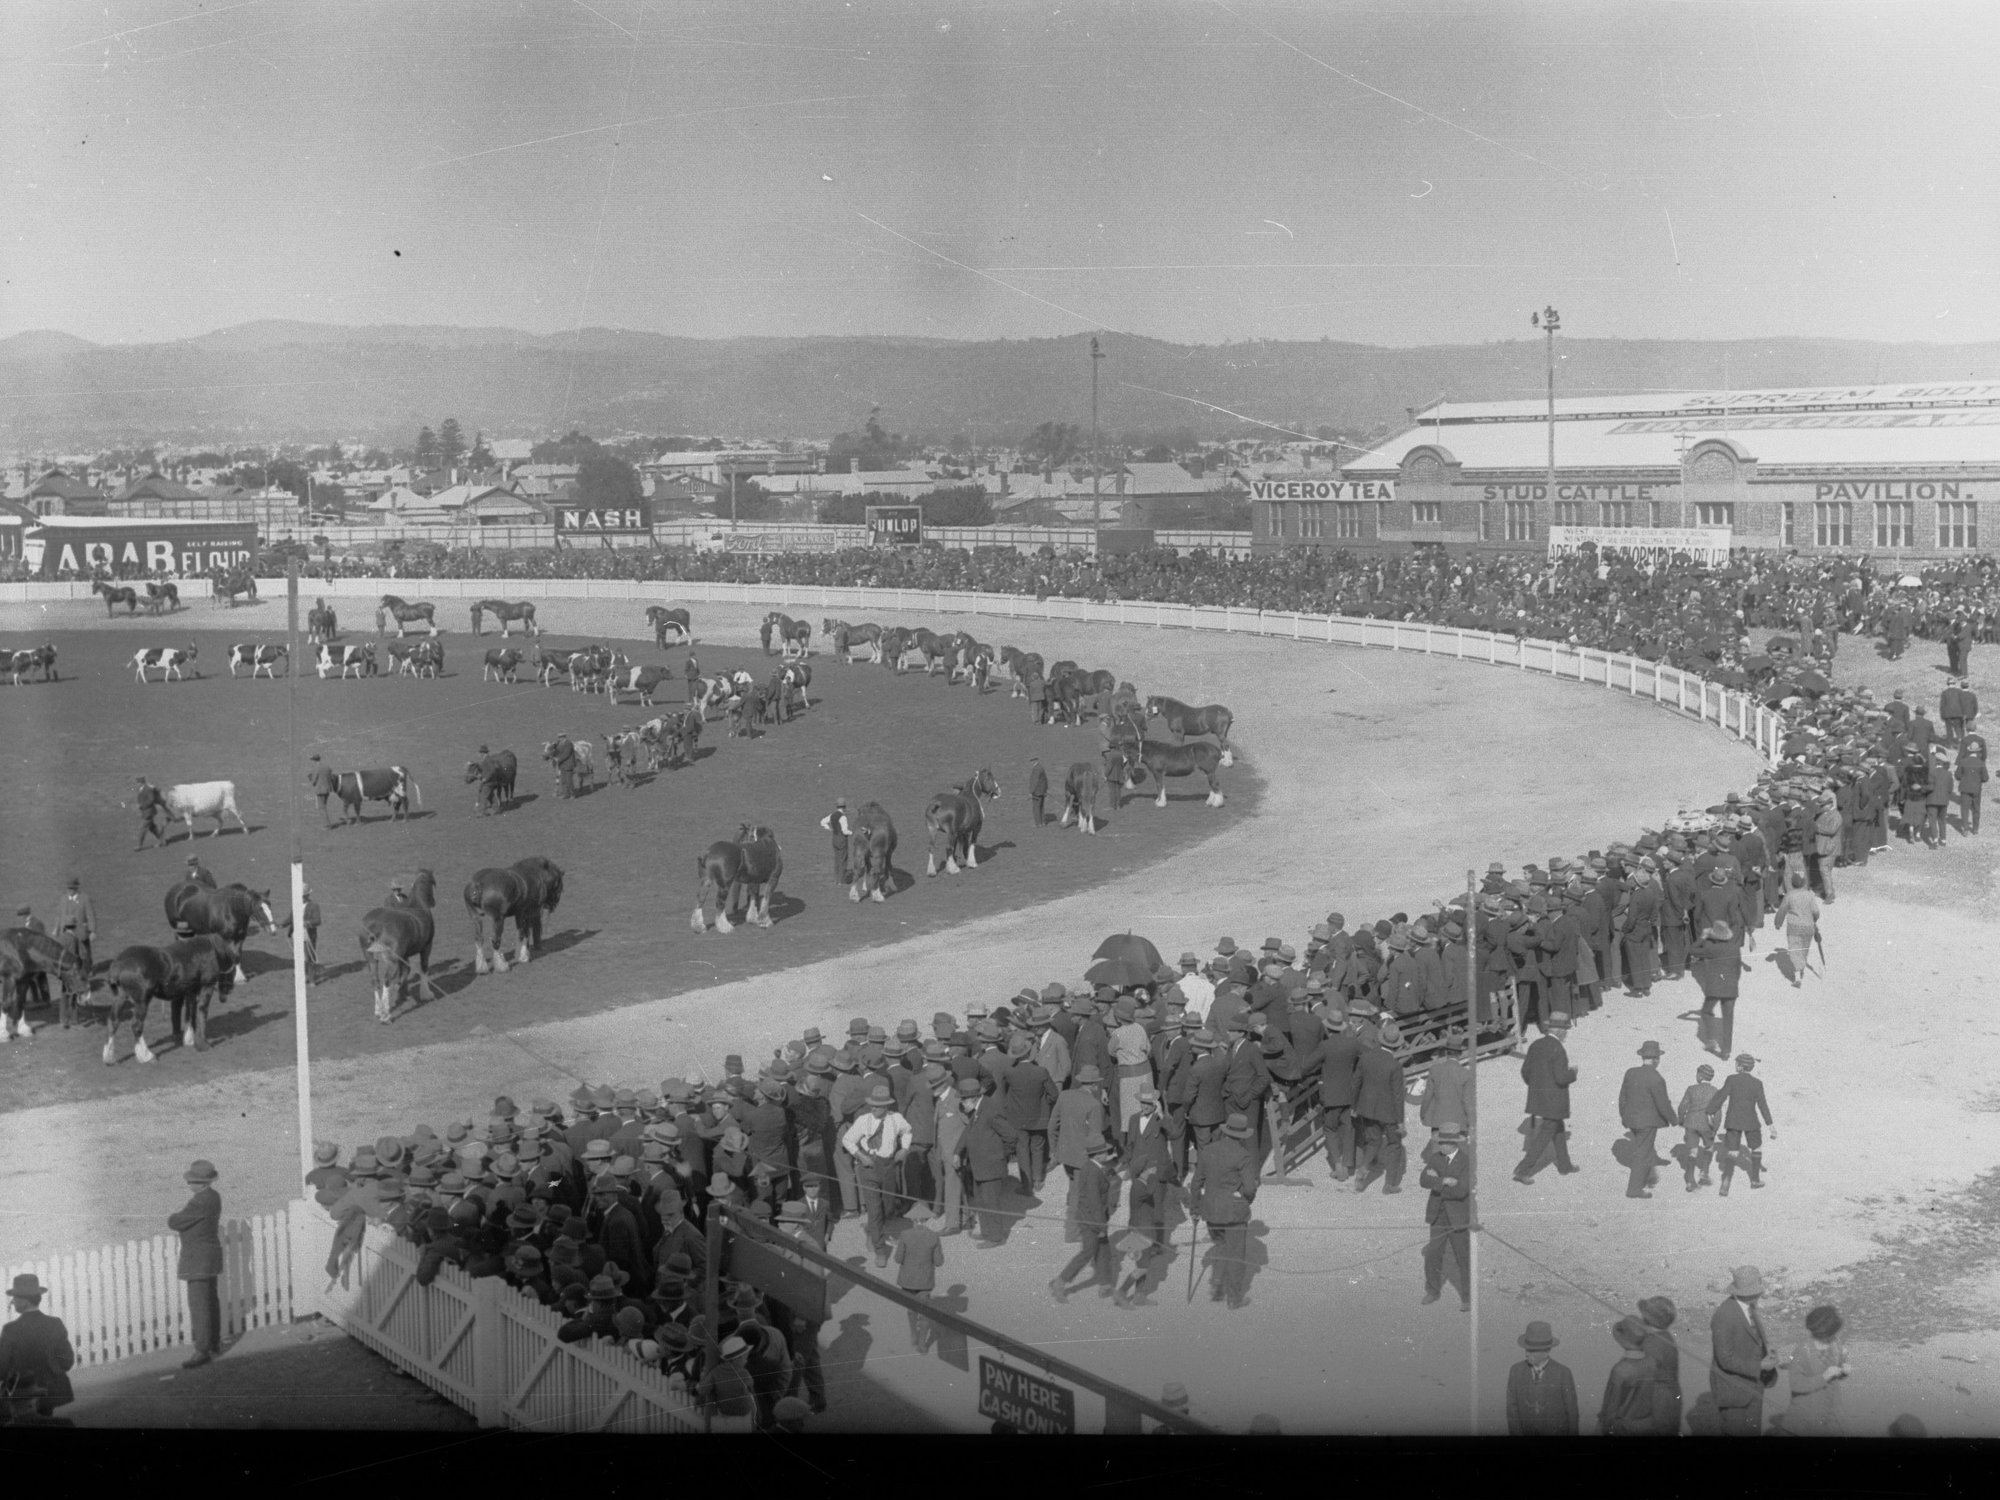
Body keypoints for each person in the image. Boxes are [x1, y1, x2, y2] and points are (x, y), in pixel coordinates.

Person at [1188, 1112, 1257, 1310]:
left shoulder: (1208, 1150)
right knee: (1235, 1254)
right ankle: (1234, 1298)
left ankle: (1216, 1283)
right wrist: (1243, 1197)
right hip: (1233, 1212)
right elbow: (1250, 1188)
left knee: (1220, 1246)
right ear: (1243, 1136)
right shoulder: (1243, 1155)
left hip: (1210, 1210)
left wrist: (1195, 1209)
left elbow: (1195, 1183)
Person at [840, 1083, 912, 1268]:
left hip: (889, 1167)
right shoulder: (864, 1120)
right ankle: (880, 1249)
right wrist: (860, 1156)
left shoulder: (896, 1119)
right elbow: (847, 1139)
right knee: (874, 1210)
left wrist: (904, 1149)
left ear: (887, 1106)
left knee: (888, 1207)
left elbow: (908, 1132)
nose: (873, 1108)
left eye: (878, 1106)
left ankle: (875, 1232)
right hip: (869, 1167)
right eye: (871, 1105)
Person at [1709, 1265, 1780, 1435]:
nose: (1761, 1293)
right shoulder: (1724, 1315)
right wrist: (1760, 1366)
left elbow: (1755, 1339)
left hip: (1753, 1387)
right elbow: (1725, 1359)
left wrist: (1767, 1349)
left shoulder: (1749, 1307)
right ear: (1750, 1293)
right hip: (1734, 1392)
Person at [1048, 1138, 1119, 1303]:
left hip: (1091, 1217)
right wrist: (1101, 1226)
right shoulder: (1093, 1171)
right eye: (1104, 1152)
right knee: (1088, 1251)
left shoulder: (1092, 1167)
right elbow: (1094, 1201)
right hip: (1092, 1220)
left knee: (1103, 1250)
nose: (1107, 1154)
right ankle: (1060, 1282)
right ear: (1097, 1155)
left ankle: (1105, 1284)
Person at [169, 1159, 224, 1368]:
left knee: (199, 1306)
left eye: (191, 1181)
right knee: (211, 1301)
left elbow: (175, 1222)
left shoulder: (198, 1201)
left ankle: (202, 1350)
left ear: (201, 1183)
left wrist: (174, 1216)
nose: (189, 1184)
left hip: (197, 1259)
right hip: (210, 1255)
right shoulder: (214, 1196)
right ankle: (214, 1342)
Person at [1514, 1012, 1578, 1183]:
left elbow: (1525, 1071)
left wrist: (1537, 1087)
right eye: (1565, 1030)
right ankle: (1523, 1169)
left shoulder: (1536, 1044)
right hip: (1554, 1101)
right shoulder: (1558, 1049)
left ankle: (1565, 1165)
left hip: (1539, 1098)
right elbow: (1561, 1078)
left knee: (1558, 1129)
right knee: (1545, 1134)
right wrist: (1573, 1073)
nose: (1566, 1033)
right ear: (1559, 1031)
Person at [0, 1273, 75, 1418]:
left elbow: (2, 1369)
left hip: (20, 1396)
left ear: (25, 1301)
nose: (13, 1301)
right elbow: (67, 1360)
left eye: (15, 1297)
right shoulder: (54, 1324)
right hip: (49, 1393)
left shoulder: (10, 1330)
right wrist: (50, 1371)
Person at [1773, 1304, 1850, 1436]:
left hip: (1830, 1413)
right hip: (1806, 1416)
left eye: (1834, 1334)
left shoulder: (1835, 1342)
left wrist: (1845, 1369)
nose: (1832, 1338)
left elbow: (1840, 1363)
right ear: (1819, 1332)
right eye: (1829, 1335)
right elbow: (1796, 1385)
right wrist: (1824, 1377)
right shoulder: (1803, 1351)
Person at [1417, 1121, 1471, 1310]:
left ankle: (1467, 1297)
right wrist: (1445, 1181)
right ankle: (1432, 1290)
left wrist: (1437, 1183)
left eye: (1442, 1143)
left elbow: (1462, 1191)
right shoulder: (1435, 1158)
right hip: (1437, 1216)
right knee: (1433, 1254)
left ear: (1452, 1144)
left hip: (1458, 1218)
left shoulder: (1466, 1161)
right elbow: (1423, 1180)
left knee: (1463, 1257)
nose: (1440, 1146)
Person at [1598, 1316, 1676, 1435]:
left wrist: (1604, 1426)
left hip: (1624, 1428)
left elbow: (1611, 1407)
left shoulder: (1620, 1370)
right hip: (1648, 1425)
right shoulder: (1652, 1364)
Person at [1617, 1041, 1675, 1199]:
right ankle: (1634, 1190)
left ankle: (1648, 1177)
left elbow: (1622, 1097)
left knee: (1645, 1150)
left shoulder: (1630, 1073)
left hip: (1631, 1120)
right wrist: (1674, 1120)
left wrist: (1624, 1116)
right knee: (1642, 1154)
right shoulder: (1656, 1078)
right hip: (1647, 1123)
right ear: (1656, 1059)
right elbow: (1663, 1104)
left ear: (1642, 1056)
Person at [1712, 1054, 1775, 1196]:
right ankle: (1755, 1179)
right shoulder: (1757, 1083)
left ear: (1740, 1066)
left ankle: (1726, 1182)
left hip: (1733, 1121)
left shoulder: (1731, 1079)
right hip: (1751, 1121)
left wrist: (1710, 1111)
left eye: (1736, 1063)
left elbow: (1721, 1097)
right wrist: (1770, 1124)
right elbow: (1762, 1105)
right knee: (1756, 1148)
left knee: (1732, 1151)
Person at [1505, 1321, 1579, 1436]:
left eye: (1532, 1351)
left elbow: (1572, 1413)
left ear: (1547, 1351)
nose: (1527, 1354)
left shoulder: (1563, 1374)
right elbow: (1512, 1411)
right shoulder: (1516, 1372)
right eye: (1526, 1349)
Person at [894, 1202, 943, 1353]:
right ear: (926, 1219)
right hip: (925, 1281)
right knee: (925, 1313)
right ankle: (923, 1343)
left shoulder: (905, 1235)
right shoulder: (934, 1237)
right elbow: (939, 1262)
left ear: (913, 1220)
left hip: (907, 1280)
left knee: (911, 1310)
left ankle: (913, 1335)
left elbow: (897, 1258)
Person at [1690, 919, 1745, 1054]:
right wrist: (1733, 982)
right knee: (1728, 1019)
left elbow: (1691, 950)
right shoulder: (1735, 948)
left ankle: (1710, 1039)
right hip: (1731, 988)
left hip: (1714, 987)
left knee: (1706, 1011)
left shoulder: (1711, 948)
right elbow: (1738, 970)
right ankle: (1726, 1050)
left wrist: (1702, 937)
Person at [1637, 1295, 1684, 1433]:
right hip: (1672, 1396)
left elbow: (1644, 1376)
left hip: (1655, 1399)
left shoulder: (1651, 1343)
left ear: (1647, 1319)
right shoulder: (1667, 1337)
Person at [1769, 872, 1821, 988]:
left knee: (1795, 950)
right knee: (1803, 950)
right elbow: (1816, 912)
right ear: (1803, 883)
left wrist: (1778, 923)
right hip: (1808, 927)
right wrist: (1814, 920)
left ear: (1792, 883)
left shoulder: (1789, 895)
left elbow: (1782, 910)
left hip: (1794, 927)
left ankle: (1798, 977)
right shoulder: (1809, 895)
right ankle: (1800, 970)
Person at [1675, 1064, 1721, 1191]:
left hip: (1691, 1123)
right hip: (1706, 1125)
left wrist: (1681, 1120)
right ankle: (1704, 1172)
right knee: (1709, 1147)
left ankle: (1690, 1179)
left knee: (1693, 1151)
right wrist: (1715, 1128)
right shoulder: (1715, 1091)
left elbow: (1682, 1107)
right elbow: (1717, 1113)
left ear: (1700, 1076)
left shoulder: (1691, 1089)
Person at [54, 876, 96, 978]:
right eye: (69, 888)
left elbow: (90, 915)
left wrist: (92, 931)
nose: (70, 891)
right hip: (67, 932)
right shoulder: (63, 899)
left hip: (81, 932)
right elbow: (59, 915)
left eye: (73, 889)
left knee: (85, 953)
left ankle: (87, 970)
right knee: (71, 953)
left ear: (77, 888)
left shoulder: (84, 899)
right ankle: (75, 972)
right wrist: (56, 928)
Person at [818, 800, 852, 886]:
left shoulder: (832, 815)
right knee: (843, 859)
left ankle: (836, 880)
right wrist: (852, 833)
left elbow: (822, 822)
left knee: (837, 859)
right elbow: (845, 831)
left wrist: (829, 829)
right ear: (844, 807)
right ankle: (841, 880)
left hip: (834, 839)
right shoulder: (843, 817)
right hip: (842, 840)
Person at [134, 775, 169, 850]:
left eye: (138, 782)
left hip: (149, 812)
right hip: (146, 812)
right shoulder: (141, 789)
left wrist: (142, 806)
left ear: (141, 782)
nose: (137, 784)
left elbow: (151, 800)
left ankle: (139, 845)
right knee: (152, 828)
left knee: (143, 828)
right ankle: (162, 841)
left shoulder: (148, 789)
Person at [306, 753, 341, 828]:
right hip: (328, 789)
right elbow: (331, 777)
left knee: (321, 807)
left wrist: (310, 778)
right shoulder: (327, 767)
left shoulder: (316, 768)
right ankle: (327, 824)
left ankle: (327, 825)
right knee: (324, 806)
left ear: (314, 761)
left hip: (320, 790)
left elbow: (314, 781)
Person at [1027, 757, 1048, 828]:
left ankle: (1038, 823)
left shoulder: (1036, 769)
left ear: (1034, 761)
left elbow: (1034, 781)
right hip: (1042, 791)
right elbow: (1045, 780)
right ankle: (1043, 822)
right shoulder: (1041, 767)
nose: (1030, 763)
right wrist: (1045, 790)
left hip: (1037, 792)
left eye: (1031, 761)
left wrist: (1031, 792)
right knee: (1041, 807)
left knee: (1036, 807)